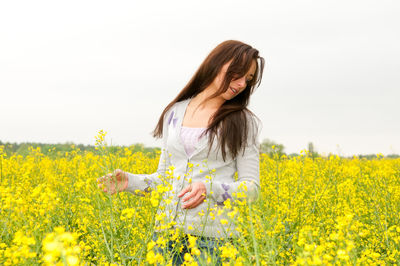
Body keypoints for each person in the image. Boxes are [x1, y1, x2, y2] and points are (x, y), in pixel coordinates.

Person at [97, 40, 265, 265]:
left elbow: (251, 190)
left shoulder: (244, 122)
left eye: (249, 79)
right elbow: (166, 180)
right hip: (165, 235)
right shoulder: (174, 113)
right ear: (216, 64)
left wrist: (209, 189)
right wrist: (131, 182)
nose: (242, 83)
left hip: (213, 242)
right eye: (238, 74)